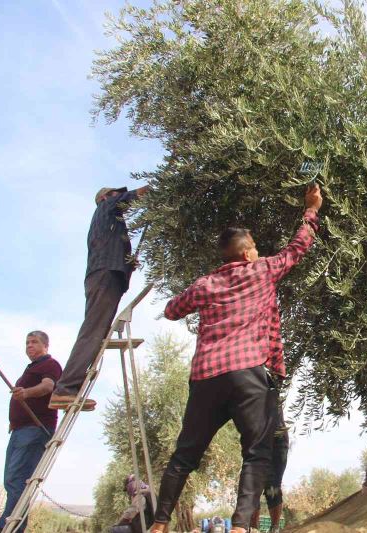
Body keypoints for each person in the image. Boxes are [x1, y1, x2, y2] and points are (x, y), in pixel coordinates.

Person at [149, 184, 324, 533]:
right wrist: (312, 209)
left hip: (206, 378)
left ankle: (159, 523)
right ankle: (242, 526)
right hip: (247, 375)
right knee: (257, 453)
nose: (259, 252)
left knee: (185, 455)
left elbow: (171, 310)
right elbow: (297, 248)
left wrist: (202, 294)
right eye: (255, 248)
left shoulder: (205, 284)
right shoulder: (262, 271)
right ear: (246, 255)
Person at [50, 185, 148, 411]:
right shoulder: (106, 206)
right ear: (105, 197)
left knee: (96, 331)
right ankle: (65, 388)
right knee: (93, 331)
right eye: (115, 193)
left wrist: (127, 265)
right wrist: (154, 188)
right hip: (105, 274)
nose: (118, 196)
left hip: (105, 275)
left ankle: (70, 389)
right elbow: (131, 196)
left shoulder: (110, 222)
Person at [0, 331, 62, 533]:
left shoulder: (50, 364)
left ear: (45, 346)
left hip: (35, 428)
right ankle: (12, 524)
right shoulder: (30, 368)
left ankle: (9, 526)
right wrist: (14, 421)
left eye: (34, 342)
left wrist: (26, 392)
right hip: (20, 430)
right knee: (10, 479)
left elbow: (48, 386)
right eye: (27, 343)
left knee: (17, 478)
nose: (29, 346)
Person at [250, 392, 289, 533]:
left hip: (278, 440)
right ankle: (253, 528)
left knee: (273, 486)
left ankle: (275, 527)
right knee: (253, 485)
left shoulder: (270, 384)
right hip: (257, 439)